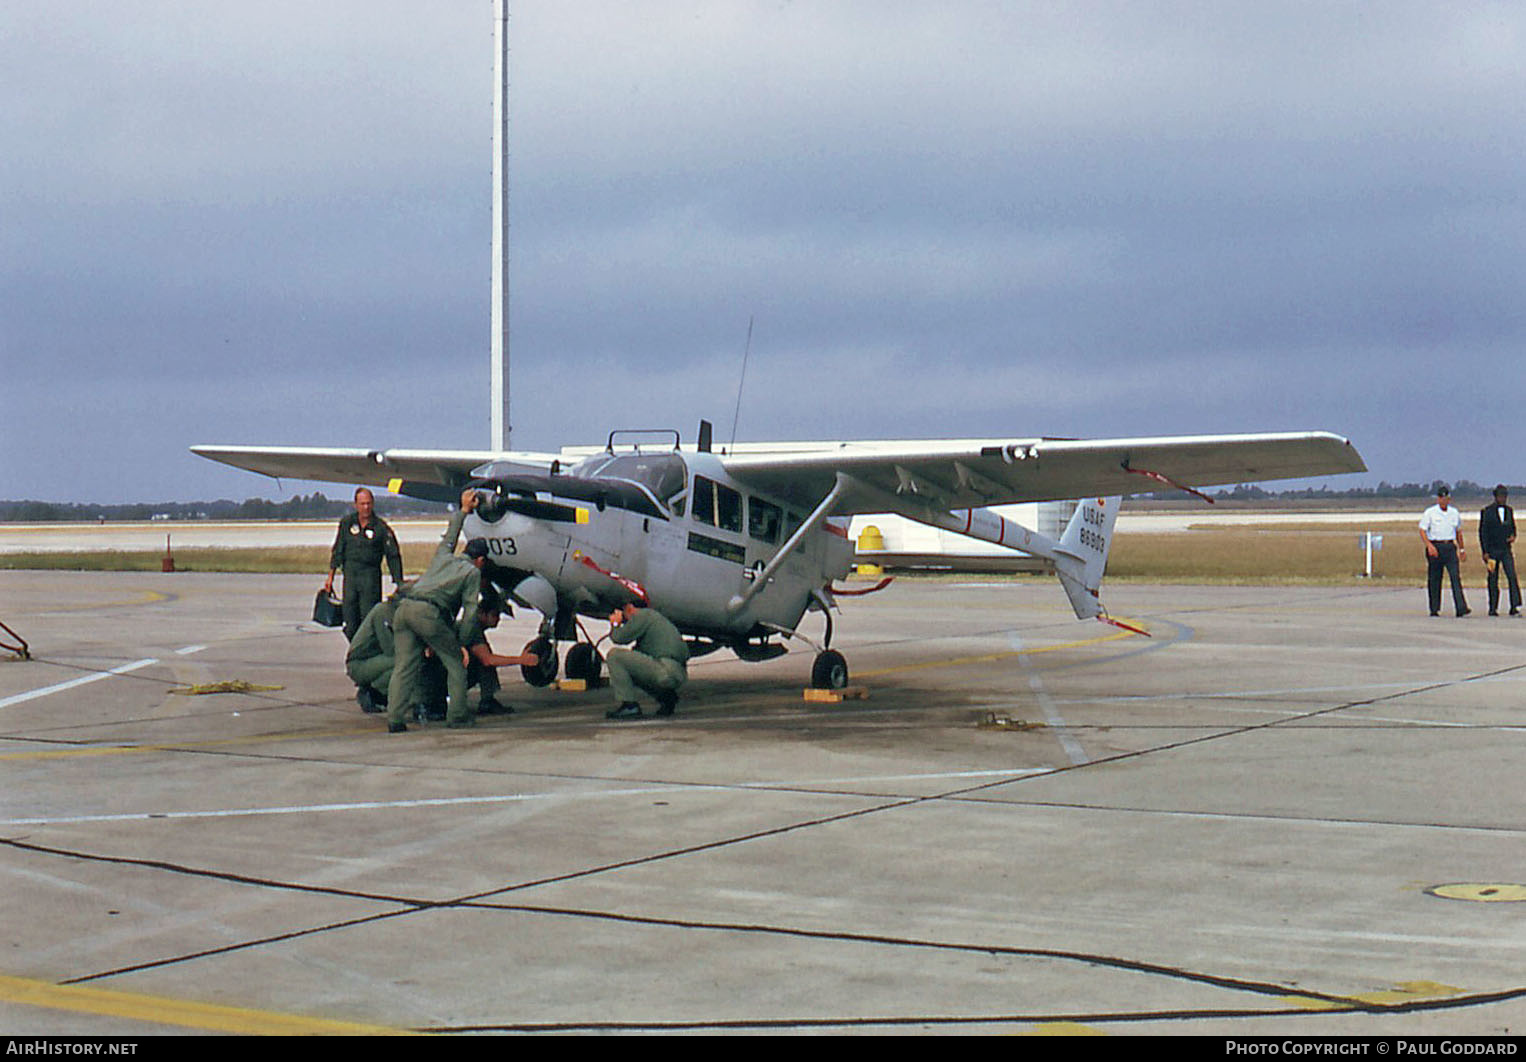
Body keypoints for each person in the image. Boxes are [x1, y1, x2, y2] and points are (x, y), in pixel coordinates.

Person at [386, 490, 491, 733]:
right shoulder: (472, 573)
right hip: (427, 614)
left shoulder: (444, 556)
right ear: (481, 560)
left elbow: (449, 535)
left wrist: (464, 510)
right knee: (455, 663)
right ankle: (458, 716)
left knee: (403, 666)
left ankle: (395, 718)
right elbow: (470, 611)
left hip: (404, 608)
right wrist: (462, 643)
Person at [420, 589, 538, 719]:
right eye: (494, 615)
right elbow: (488, 660)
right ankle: (486, 701)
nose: (498, 619)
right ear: (482, 614)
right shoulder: (473, 628)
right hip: (434, 678)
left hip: (434, 675)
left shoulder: (470, 626)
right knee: (483, 661)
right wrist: (521, 660)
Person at [326, 487, 404, 640]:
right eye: (362, 504)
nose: (366, 507)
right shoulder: (347, 524)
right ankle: (356, 652)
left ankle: (366, 654)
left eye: (368, 503)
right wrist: (330, 577)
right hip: (350, 577)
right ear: (356, 504)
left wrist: (398, 582)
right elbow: (338, 550)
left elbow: (393, 555)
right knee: (350, 623)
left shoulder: (381, 528)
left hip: (370, 579)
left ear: (373, 504)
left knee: (368, 621)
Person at [604, 600, 689, 720]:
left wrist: (615, 624)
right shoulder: (654, 618)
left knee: (614, 656)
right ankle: (666, 697)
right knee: (632, 668)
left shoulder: (643, 615)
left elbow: (619, 638)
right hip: (676, 672)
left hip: (665, 671)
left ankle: (629, 706)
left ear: (629, 607)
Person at [1419, 485, 1470, 617]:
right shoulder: (1430, 513)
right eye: (1441, 498)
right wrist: (1429, 545)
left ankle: (1461, 607)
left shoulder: (1454, 513)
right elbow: (1423, 530)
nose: (1444, 500)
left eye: (1446, 498)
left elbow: (1458, 532)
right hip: (1436, 546)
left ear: (1449, 499)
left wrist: (1462, 549)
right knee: (1435, 579)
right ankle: (1434, 608)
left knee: (1455, 577)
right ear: (1438, 499)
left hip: (1449, 547)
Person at [345, 596, 398, 713]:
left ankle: (379, 692)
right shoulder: (383, 613)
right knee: (404, 662)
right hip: (359, 663)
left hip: (370, 659)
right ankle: (373, 692)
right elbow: (390, 649)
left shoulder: (388, 610)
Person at [1478, 484, 1520, 617]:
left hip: (1506, 550)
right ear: (1496, 497)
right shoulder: (1487, 511)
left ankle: (1514, 606)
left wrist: (1513, 536)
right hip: (1492, 551)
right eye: (1501, 496)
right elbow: (1483, 532)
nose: (1503, 499)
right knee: (1492, 579)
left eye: (1505, 496)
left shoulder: (1509, 511)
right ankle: (1492, 607)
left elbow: (1513, 527)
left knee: (1512, 576)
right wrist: (1485, 551)